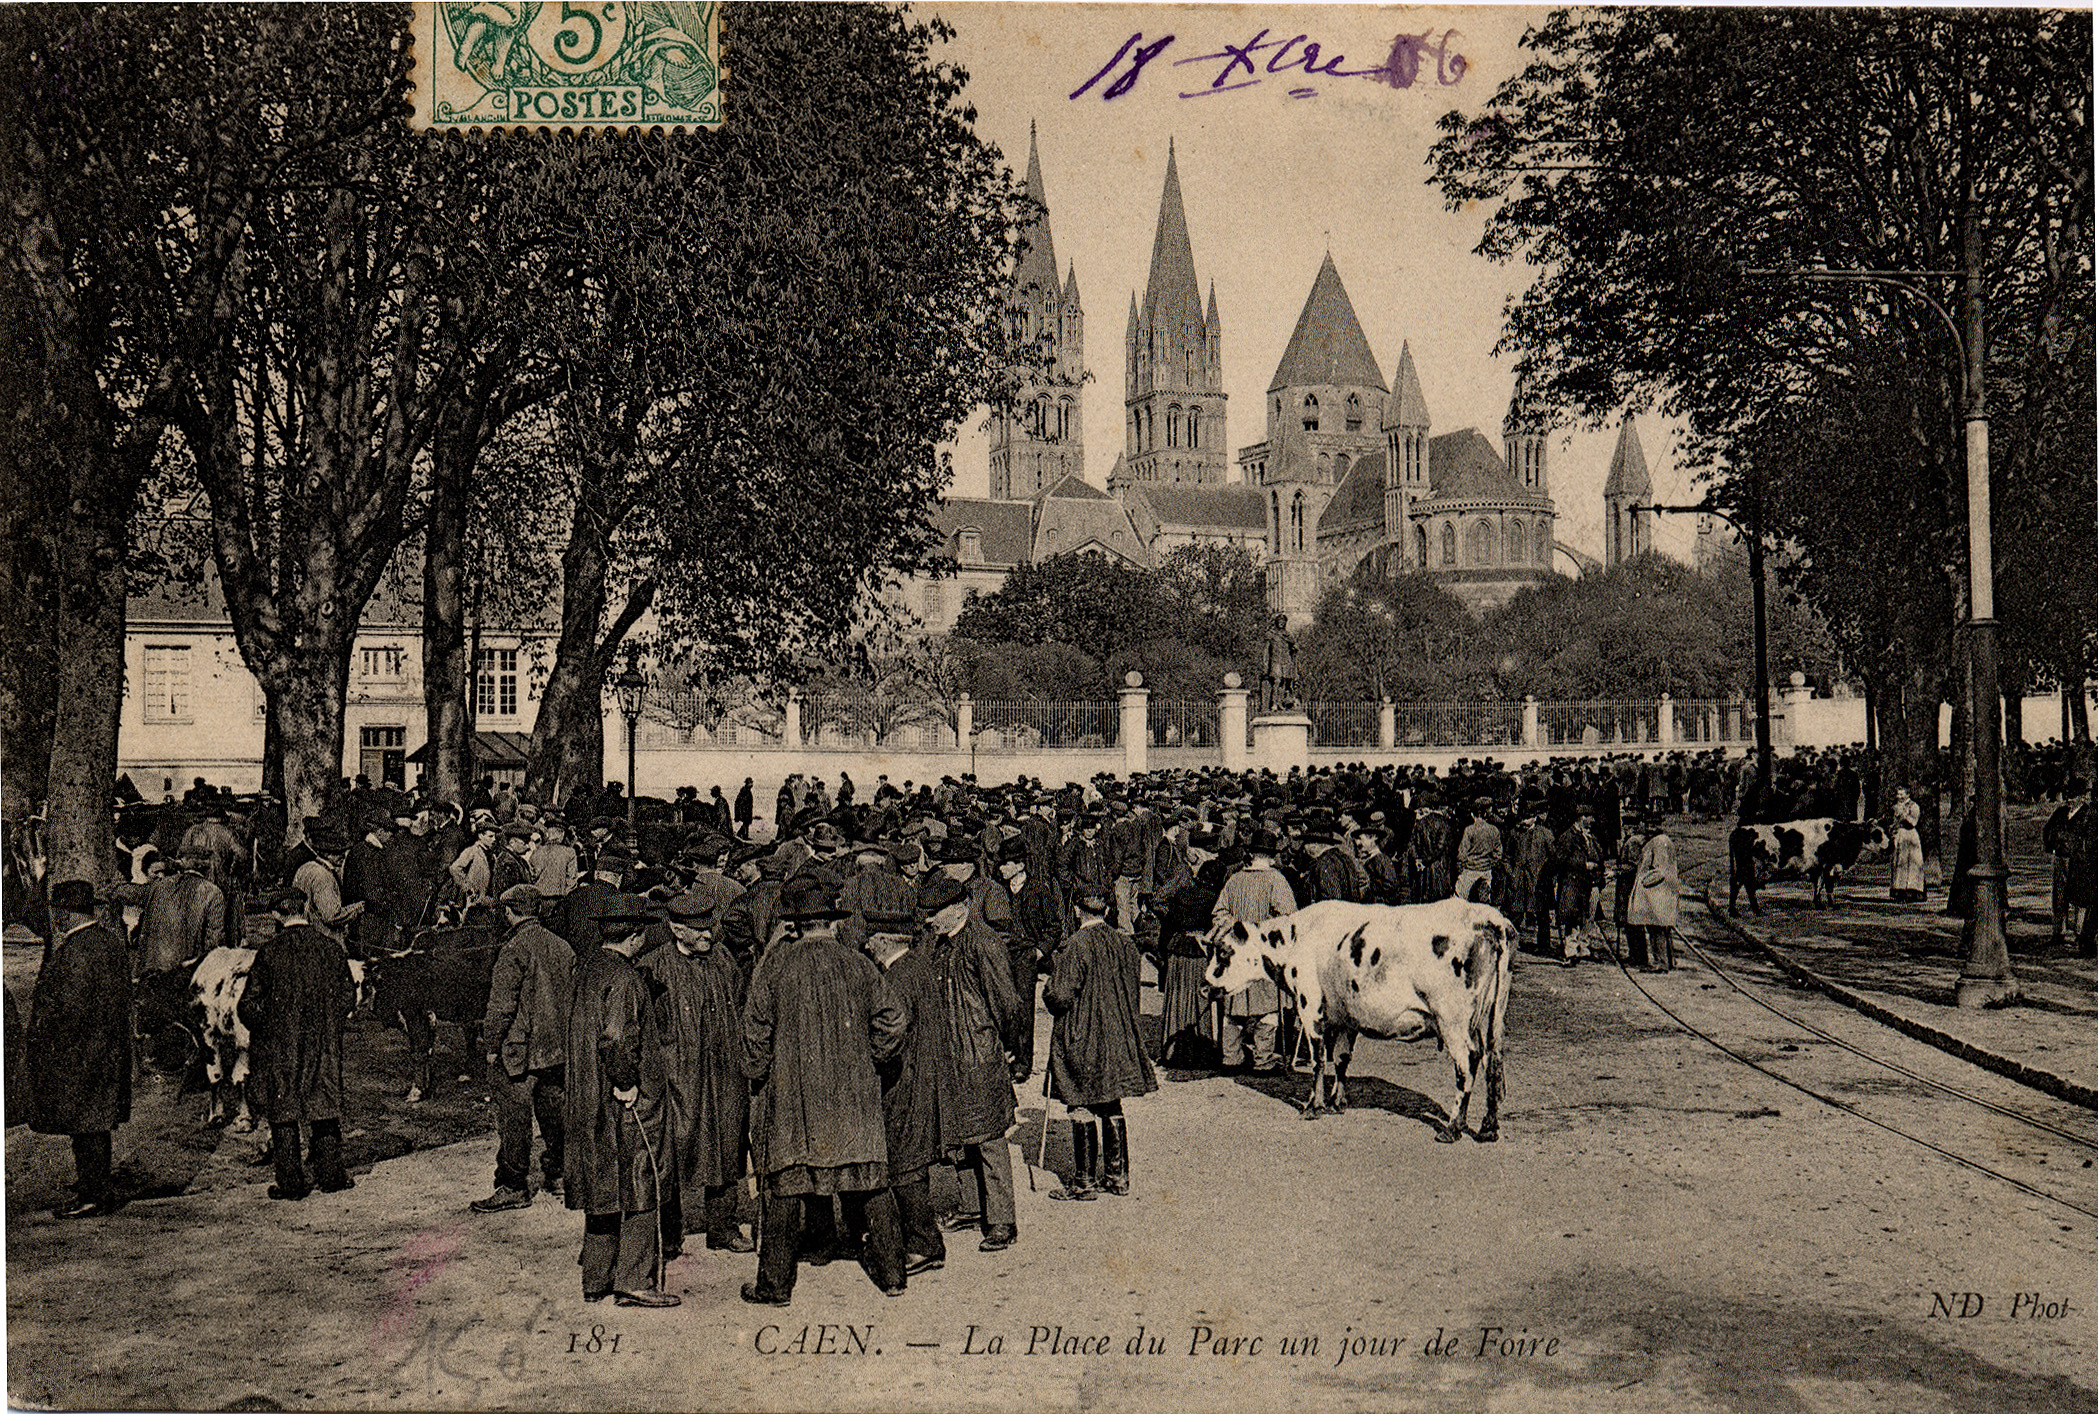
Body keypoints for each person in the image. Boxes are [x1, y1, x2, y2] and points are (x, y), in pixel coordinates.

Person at [741, 874, 908, 1305]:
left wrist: (757, 1073)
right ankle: (893, 1276)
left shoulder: (775, 967)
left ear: (795, 924)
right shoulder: (859, 964)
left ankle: (774, 1287)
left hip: (795, 1099)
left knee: (785, 1189)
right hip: (853, 1098)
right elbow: (893, 1021)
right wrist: (871, 1060)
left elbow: (754, 1033)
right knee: (870, 1182)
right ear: (831, 922)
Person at [563, 892, 680, 1308]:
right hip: (620, 1100)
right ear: (633, 935)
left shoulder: (587, 968)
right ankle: (633, 1280)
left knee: (602, 1185)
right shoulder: (626, 979)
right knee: (642, 1179)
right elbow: (616, 1037)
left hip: (586, 1098)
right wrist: (627, 1082)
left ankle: (596, 1280)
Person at [638, 893, 754, 1256]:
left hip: (723, 1075)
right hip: (678, 1079)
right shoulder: (654, 966)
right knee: (672, 1152)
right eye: (699, 930)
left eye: (710, 927)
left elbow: (739, 1004)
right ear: (676, 929)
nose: (708, 935)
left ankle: (723, 1228)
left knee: (726, 1146)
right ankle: (669, 1236)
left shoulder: (722, 958)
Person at [919, 873, 1025, 1252]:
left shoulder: (984, 942)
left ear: (960, 907)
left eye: (935, 912)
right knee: (961, 1136)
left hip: (979, 1055)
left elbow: (1009, 1004)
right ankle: (970, 1206)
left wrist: (1011, 1048)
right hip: (950, 1055)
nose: (929, 919)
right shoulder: (941, 943)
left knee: (990, 1138)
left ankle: (1001, 1220)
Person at [241, 888, 357, 1200]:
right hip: (323, 1042)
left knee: (284, 1109)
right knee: (323, 1105)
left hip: (282, 1047)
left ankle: (291, 1183)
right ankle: (332, 1176)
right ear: (305, 909)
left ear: (277, 915)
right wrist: (328, 1022)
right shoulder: (330, 948)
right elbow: (348, 996)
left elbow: (248, 1006)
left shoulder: (269, 953)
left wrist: (271, 1025)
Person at [1043, 890, 1157, 1201]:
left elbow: (1060, 995)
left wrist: (1048, 992)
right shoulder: (1124, 942)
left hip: (1084, 1034)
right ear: (1106, 910)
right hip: (1118, 1033)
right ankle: (1118, 1178)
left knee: (1080, 1100)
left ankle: (1084, 1182)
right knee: (1110, 1101)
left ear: (1079, 911)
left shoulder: (1076, 944)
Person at [27, 880, 132, 1218]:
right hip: (108, 1048)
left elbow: (67, 1010)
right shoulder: (110, 943)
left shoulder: (74, 951)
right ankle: (93, 1183)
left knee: (85, 1125)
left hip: (79, 1052)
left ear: (65, 913)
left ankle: (93, 1194)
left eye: (57, 911)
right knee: (95, 1123)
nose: (55, 918)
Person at [472, 885, 576, 1212]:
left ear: (510, 912)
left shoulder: (514, 948)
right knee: (554, 1110)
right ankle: (560, 1175)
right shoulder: (563, 947)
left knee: (515, 1119)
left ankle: (513, 1185)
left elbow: (501, 1006)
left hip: (520, 1051)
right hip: (556, 1049)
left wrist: (491, 1046)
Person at [862, 905, 948, 1277]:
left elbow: (891, 1031)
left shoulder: (896, 978)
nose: (866, 946)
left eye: (870, 939)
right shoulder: (920, 965)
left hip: (904, 1079)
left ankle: (923, 1244)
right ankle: (921, 1237)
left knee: (904, 1162)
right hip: (926, 1073)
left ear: (884, 941)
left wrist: (870, 1059)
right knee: (912, 1158)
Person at [1209, 829, 1296, 1073]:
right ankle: (1263, 1058)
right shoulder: (1276, 880)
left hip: (1238, 951)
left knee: (1235, 1005)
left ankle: (1231, 1057)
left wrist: (1237, 927)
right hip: (1263, 953)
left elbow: (1219, 913)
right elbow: (1288, 917)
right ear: (1270, 856)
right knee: (1267, 1007)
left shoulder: (1235, 879)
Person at [1625, 812, 1679, 972]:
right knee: (1661, 928)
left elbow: (1660, 871)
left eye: (1653, 825)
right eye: (1647, 824)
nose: (1649, 828)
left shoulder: (1659, 842)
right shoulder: (1661, 840)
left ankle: (1661, 963)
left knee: (1657, 929)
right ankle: (1668, 961)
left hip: (1656, 893)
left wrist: (1644, 881)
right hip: (1662, 892)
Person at [2043, 781, 2084, 948]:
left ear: (2082, 797)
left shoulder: (2086, 815)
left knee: (2079, 895)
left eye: (2073, 796)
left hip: (2079, 861)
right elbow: (2047, 830)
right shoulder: (2060, 813)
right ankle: (2059, 931)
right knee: (2059, 895)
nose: (2070, 800)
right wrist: (2051, 847)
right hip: (2061, 858)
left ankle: (2079, 932)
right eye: (2068, 796)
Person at [1889, 787, 1926, 901]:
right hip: (1900, 835)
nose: (1899, 797)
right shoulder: (1895, 806)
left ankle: (1912, 891)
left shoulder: (1914, 806)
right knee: (1899, 861)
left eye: (1901, 794)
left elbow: (1913, 822)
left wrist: (1904, 815)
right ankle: (1899, 890)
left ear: (1907, 794)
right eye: (1898, 794)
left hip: (1910, 836)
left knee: (1911, 862)